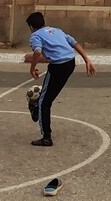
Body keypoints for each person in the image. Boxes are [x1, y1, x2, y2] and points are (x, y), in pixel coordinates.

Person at [22, 10, 95, 147]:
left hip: (58, 66)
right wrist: (87, 60)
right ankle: (37, 109)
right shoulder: (56, 30)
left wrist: (32, 69)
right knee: (48, 97)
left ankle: (46, 137)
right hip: (70, 63)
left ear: (31, 27)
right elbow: (74, 43)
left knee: (44, 101)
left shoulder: (35, 36)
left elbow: (37, 51)